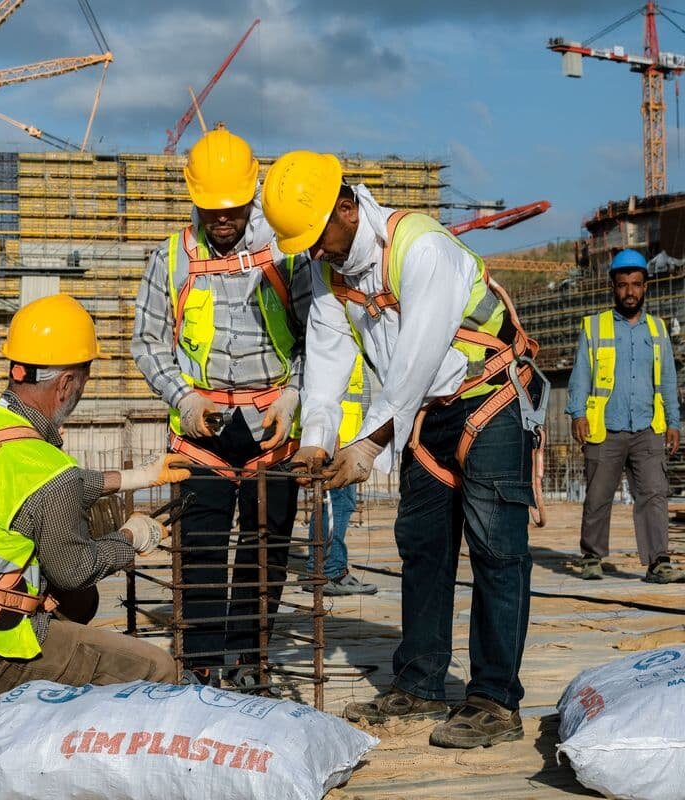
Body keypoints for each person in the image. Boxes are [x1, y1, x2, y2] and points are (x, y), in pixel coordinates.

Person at [263, 150, 546, 749]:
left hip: (485, 400)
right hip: (422, 418)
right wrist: (316, 440)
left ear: (347, 206)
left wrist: (366, 444)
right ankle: (418, 685)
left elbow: (415, 361)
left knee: (497, 554)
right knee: (422, 548)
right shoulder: (328, 270)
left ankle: (495, 699)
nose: (315, 252)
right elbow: (329, 363)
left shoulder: (421, 248)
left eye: (318, 237)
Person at [0, 294, 187, 787]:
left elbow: (41, 484)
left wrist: (140, 476)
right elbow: (74, 569)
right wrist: (133, 538)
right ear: (66, 383)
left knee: (76, 611)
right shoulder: (48, 471)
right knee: (155, 665)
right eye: (82, 380)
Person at [132, 124, 309, 685]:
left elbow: (321, 336)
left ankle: (250, 659)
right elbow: (147, 340)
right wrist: (182, 399)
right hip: (201, 432)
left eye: (232, 207)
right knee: (201, 553)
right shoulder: (172, 257)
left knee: (264, 555)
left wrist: (293, 392)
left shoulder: (287, 250)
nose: (223, 219)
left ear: (252, 194)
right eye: (211, 209)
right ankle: (204, 662)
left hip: (270, 427)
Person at [567, 249, 685, 584]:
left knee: (654, 494)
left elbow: (667, 379)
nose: (629, 291)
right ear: (613, 287)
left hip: (648, 428)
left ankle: (658, 561)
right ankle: (592, 557)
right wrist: (577, 413)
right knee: (598, 496)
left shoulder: (657, 329)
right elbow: (580, 375)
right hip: (605, 426)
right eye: (623, 285)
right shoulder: (594, 327)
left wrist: (673, 422)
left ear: (645, 286)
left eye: (635, 284)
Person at [305, 355, 378, 595]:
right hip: (337, 439)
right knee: (336, 505)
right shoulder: (335, 343)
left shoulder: (352, 345)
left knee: (338, 504)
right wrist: (326, 431)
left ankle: (327, 568)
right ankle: (329, 571)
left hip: (348, 437)